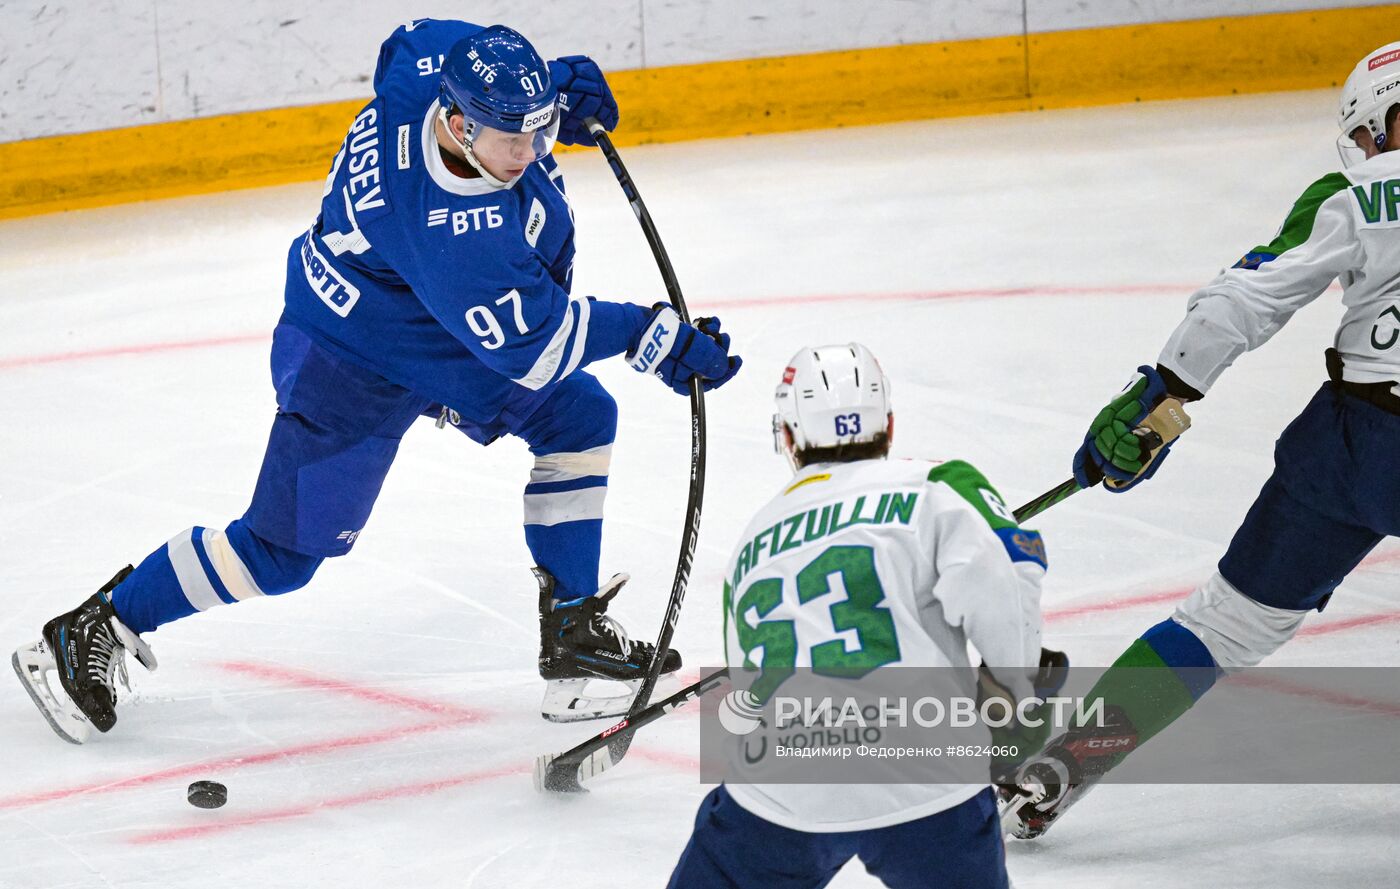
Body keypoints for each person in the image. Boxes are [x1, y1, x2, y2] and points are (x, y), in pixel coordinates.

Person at [12, 19, 742, 744]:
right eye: (511, 139)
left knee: (578, 418)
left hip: (425, 325)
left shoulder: (430, 67)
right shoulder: (453, 229)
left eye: (537, 134)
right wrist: (651, 335)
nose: (528, 153)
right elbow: (538, 346)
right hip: (347, 358)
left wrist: (547, 91)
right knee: (282, 554)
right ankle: (96, 625)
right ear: (456, 126)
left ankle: (574, 639)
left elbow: (406, 40)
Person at [1002, 40, 1400, 839]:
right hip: (1358, 443)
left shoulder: (1357, 193)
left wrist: (1160, 401)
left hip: (1360, 448)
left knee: (1222, 625)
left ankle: (1069, 757)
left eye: (1364, 135)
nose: (1361, 150)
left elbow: (1240, 304)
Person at [667, 344, 1048, 889]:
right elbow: (1006, 582)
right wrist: (1013, 683)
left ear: (790, 437)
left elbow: (746, 681)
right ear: (888, 426)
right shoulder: (937, 484)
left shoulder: (756, 534)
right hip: (924, 773)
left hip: (783, 783)